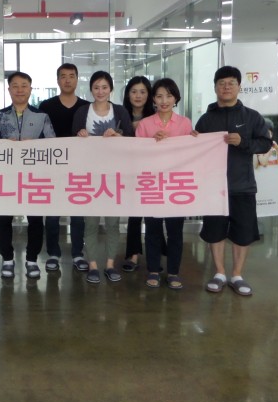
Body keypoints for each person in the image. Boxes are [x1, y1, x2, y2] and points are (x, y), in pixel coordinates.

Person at [194, 66, 272, 296]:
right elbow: (196, 151)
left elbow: (265, 144)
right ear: (215, 87)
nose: (226, 87)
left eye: (231, 83)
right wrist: (192, 140)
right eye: (221, 83)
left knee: (243, 233)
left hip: (242, 186)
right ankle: (219, 273)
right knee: (215, 232)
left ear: (239, 86)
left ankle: (237, 275)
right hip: (214, 187)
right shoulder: (206, 119)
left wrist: (243, 142)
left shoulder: (252, 117)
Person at [0, 72, 56, 280]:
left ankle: (32, 259)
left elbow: (53, 144)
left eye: (24, 86)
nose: (19, 90)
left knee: (35, 219)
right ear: (9, 90)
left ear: (30, 89)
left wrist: (33, 145)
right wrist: (4, 144)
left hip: (34, 176)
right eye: (15, 86)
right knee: (4, 218)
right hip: (6, 176)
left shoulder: (42, 116)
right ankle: (7, 259)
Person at [72, 70, 134, 284]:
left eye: (104, 87)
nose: (100, 91)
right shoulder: (82, 111)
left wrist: (118, 135)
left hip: (115, 175)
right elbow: (72, 141)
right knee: (90, 222)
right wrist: (80, 135)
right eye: (96, 87)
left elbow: (131, 139)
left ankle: (109, 264)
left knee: (113, 222)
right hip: (89, 175)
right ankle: (92, 265)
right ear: (91, 89)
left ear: (111, 89)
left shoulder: (120, 111)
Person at [135, 78, 193, 289]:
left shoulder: (185, 123)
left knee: (175, 231)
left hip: (176, 184)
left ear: (175, 98)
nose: (164, 100)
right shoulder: (145, 124)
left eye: (169, 96)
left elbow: (191, 153)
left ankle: (174, 272)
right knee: (152, 229)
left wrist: (195, 140)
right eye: (159, 96)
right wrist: (152, 142)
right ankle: (153, 270)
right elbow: (135, 154)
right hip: (152, 184)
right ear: (153, 99)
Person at [37, 63, 90, 273]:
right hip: (53, 168)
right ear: (57, 80)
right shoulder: (46, 106)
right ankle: (53, 254)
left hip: (79, 167)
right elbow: (39, 136)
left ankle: (78, 253)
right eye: (63, 76)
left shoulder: (87, 107)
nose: (67, 80)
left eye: (71, 76)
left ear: (77, 79)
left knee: (78, 214)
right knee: (52, 214)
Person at [121, 75, 156, 272]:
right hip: (129, 172)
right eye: (134, 91)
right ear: (128, 94)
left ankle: (154, 255)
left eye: (143, 92)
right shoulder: (120, 114)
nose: (138, 95)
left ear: (149, 94)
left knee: (153, 215)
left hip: (153, 172)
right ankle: (132, 255)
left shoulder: (157, 115)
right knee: (134, 214)